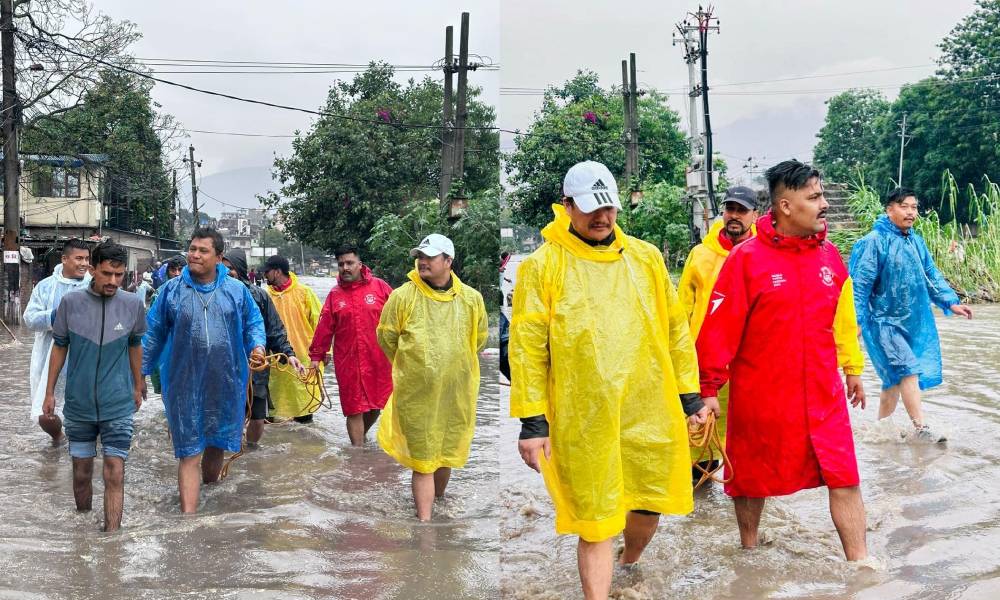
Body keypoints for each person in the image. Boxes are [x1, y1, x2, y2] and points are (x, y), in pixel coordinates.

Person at [510, 161, 705, 599]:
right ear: (566, 206)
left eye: (609, 208)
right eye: (590, 208)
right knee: (597, 517)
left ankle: (630, 562)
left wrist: (689, 397)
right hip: (583, 415)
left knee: (648, 501)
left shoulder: (646, 258)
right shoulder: (543, 266)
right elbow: (526, 348)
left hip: (647, 405)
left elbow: (675, 329)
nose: (602, 217)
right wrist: (532, 422)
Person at [697, 160, 868, 561]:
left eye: (821, 195)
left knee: (845, 477)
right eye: (815, 197)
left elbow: (844, 318)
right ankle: (749, 554)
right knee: (751, 480)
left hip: (824, 397)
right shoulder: (746, 260)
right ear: (786, 206)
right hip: (763, 397)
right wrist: (705, 392)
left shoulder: (829, 257)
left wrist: (852, 367)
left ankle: (861, 564)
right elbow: (718, 331)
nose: (824, 204)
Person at [142, 228, 265, 513]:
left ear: (219, 258)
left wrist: (257, 347)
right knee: (189, 451)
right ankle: (189, 520)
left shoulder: (236, 291)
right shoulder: (171, 291)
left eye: (202, 250)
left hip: (226, 382)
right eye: (192, 248)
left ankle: (208, 495)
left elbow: (253, 324)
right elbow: (152, 335)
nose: (194, 255)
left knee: (216, 443)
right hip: (183, 382)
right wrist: (139, 374)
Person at [376, 233, 488, 521]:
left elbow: (479, 339)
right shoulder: (403, 296)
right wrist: (414, 368)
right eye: (420, 257)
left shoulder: (472, 299)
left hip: (456, 393)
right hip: (417, 395)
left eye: (430, 257)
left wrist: (450, 367)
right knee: (424, 461)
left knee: (446, 453)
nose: (422, 262)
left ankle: (438, 503)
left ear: (448, 261)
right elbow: (387, 337)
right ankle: (425, 526)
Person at [848, 188, 973, 443]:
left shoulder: (915, 241)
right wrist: (857, 323)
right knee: (908, 370)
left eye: (914, 207)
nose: (911, 212)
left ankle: (879, 433)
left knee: (893, 382)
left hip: (912, 321)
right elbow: (859, 287)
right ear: (889, 209)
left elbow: (931, 275)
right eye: (905, 206)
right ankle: (921, 427)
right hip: (884, 324)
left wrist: (951, 302)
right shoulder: (874, 241)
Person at [43, 242, 145, 531]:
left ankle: (111, 541)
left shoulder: (133, 304)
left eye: (119, 275)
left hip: (118, 404)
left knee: (115, 472)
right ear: (92, 270)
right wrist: (50, 392)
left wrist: (138, 384)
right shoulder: (70, 304)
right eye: (107, 274)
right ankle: (84, 528)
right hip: (79, 404)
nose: (113, 281)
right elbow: (59, 347)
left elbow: (136, 345)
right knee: (82, 473)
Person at [677, 186, 758, 484]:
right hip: (705, 362)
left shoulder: (763, 255)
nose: (734, 216)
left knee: (749, 438)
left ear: (755, 215)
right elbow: (682, 310)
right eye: (730, 209)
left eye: (742, 210)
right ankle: (703, 507)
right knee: (701, 438)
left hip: (749, 363)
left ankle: (743, 504)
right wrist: (681, 359)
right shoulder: (700, 255)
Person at [308, 245, 393, 446]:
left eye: (349, 263)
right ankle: (357, 456)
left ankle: (361, 438)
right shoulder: (335, 295)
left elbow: (401, 317)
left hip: (378, 358)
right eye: (341, 264)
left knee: (376, 404)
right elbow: (324, 328)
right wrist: (315, 357)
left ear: (359, 264)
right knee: (354, 407)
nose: (345, 267)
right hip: (348, 361)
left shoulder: (380, 287)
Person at [222, 249, 303, 445]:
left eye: (230, 268)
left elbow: (274, 330)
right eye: (222, 268)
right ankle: (228, 450)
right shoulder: (214, 295)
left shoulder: (259, 296)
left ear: (240, 269)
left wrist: (288, 354)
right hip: (224, 367)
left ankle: (251, 450)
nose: (226, 273)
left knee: (258, 415)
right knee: (227, 414)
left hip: (256, 366)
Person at [23, 238, 92, 443]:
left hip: (85, 357)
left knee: (86, 411)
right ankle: (58, 439)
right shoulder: (45, 287)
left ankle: (84, 446)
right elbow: (29, 319)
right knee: (46, 414)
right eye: (78, 258)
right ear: (64, 259)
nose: (83, 263)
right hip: (49, 358)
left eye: (87, 259)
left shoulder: (94, 285)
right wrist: (55, 316)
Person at [262, 255, 324, 423]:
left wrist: (324, 351)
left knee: (304, 412)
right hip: (275, 363)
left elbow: (320, 323)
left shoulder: (305, 293)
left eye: (267, 272)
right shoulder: (265, 296)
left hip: (303, 359)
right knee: (270, 415)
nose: (264, 275)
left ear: (277, 271)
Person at [149, 254, 187, 395]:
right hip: (168, 351)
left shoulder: (196, 293)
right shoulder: (159, 295)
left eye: (180, 269)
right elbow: (153, 331)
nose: (176, 273)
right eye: (173, 270)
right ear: (167, 271)